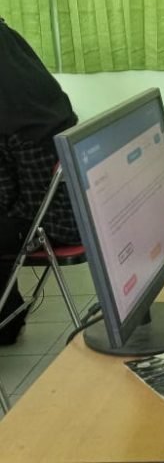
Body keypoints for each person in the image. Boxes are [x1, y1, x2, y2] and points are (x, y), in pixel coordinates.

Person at [0, 18, 80, 345]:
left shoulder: (12, 122)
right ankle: (7, 317)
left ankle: (6, 319)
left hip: (48, 225)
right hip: (75, 213)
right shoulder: (33, 93)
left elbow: (7, 197)